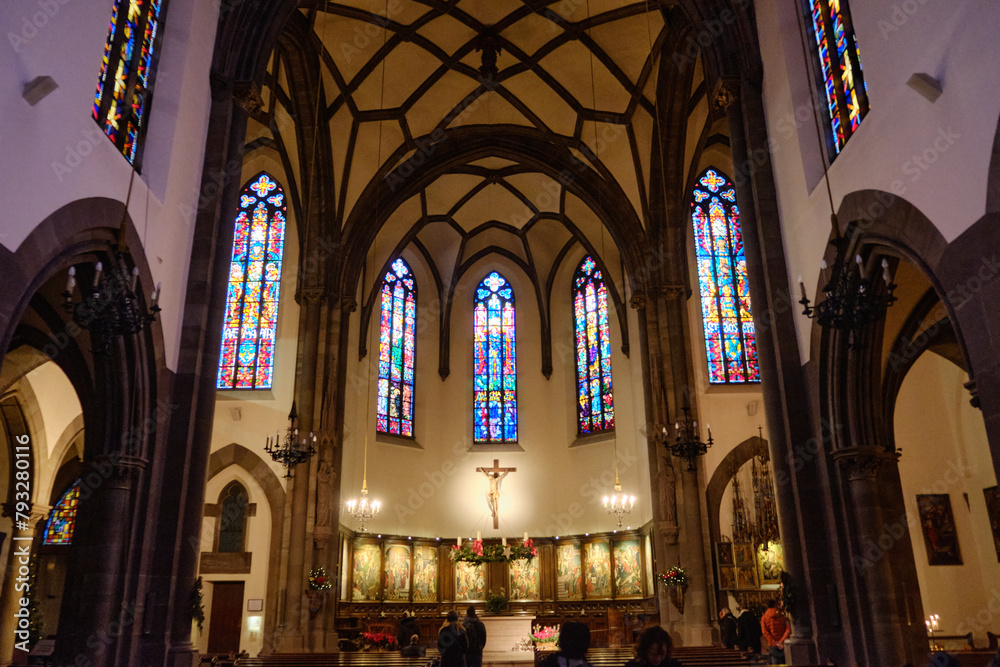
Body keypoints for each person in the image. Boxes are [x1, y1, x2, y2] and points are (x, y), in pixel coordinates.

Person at [760, 600, 790, 665]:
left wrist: (773, 642)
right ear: (775, 605)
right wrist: (781, 641)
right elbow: (788, 629)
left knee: (775, 662)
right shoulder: (782, 615)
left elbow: (764, 632)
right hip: (783, 643)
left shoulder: (764, 617)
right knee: (785, 662)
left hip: (773, 644)